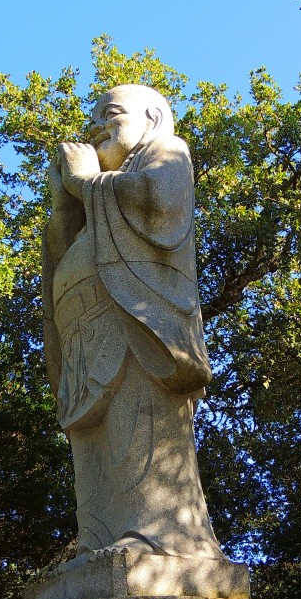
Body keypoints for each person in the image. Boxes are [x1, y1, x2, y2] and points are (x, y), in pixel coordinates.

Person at [42, 84, 223, 560]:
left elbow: (157, 202)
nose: (98, 126)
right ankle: (97, 535)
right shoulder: (97, 199)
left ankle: (157, 535)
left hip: (136, 325)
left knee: (136, 429)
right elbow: (63, 251)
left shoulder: (167, 153)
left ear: (153, 118)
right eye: (94, 118)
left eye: (112, 114)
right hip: (87, 332)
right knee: (92, 440)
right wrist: (66, 204)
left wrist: (86, 183)